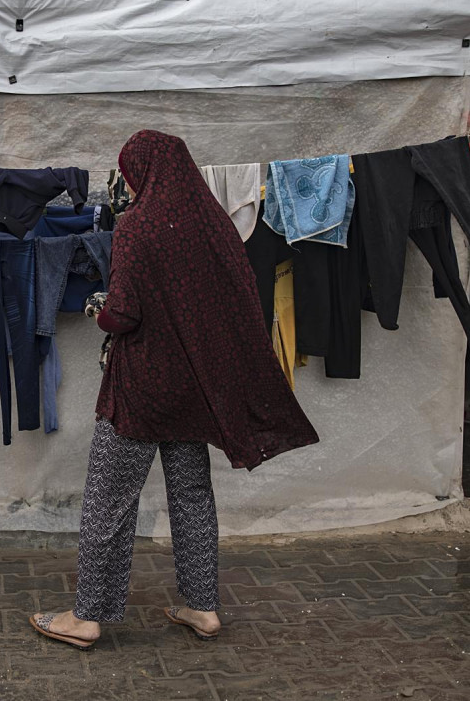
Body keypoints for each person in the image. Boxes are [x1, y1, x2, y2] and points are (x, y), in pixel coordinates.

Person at [29, 130, 320, 650]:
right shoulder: (214, 224)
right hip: (193, 386)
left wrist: (97, 306)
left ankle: (88, 616)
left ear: (142, 173)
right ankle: (202, 607)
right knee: (191, 495)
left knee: (108, 500)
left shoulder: (137, 226)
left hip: (142, 387)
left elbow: (124, 313)